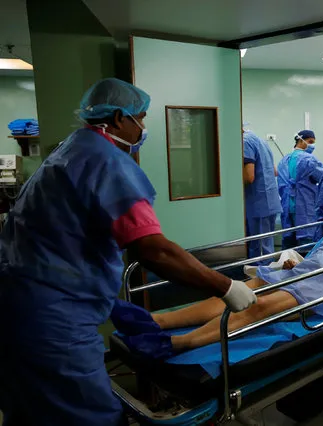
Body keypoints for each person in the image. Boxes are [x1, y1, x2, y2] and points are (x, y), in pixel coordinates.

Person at [0, 78, 256, 426]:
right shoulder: (108, 163)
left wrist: (106, 300)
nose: (143, 128)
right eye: (141, 118)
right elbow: (153, 250)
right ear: (120, 118)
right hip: (53, 322)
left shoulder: (69, 151)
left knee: (30, 410)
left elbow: (58, 240)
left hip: (22, 302)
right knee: (86, 416)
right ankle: (177, 340)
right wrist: (226, 286)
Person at [114, 208, 323, 357]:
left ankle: (178, 343)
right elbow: (315, 257)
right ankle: (156, 322)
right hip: (306, 269)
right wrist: (296, 263)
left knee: (259, 304)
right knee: (237, 290)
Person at [277, 130, 323, 249]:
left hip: (287, 207)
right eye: (310, 142)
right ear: (300, 140)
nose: (312, 145)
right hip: (304, 207)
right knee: (307, 244)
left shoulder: (284, 160)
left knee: (290, 245)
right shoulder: (308, 160)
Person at [243, 130, 282, 260]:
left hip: (258, 204)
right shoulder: (261, 141)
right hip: (270, 201)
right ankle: (267, 275)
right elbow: (275, 172)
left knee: (259, 250)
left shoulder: (245, 142)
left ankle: (263, 278)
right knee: (266, 245)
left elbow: (249, 177)